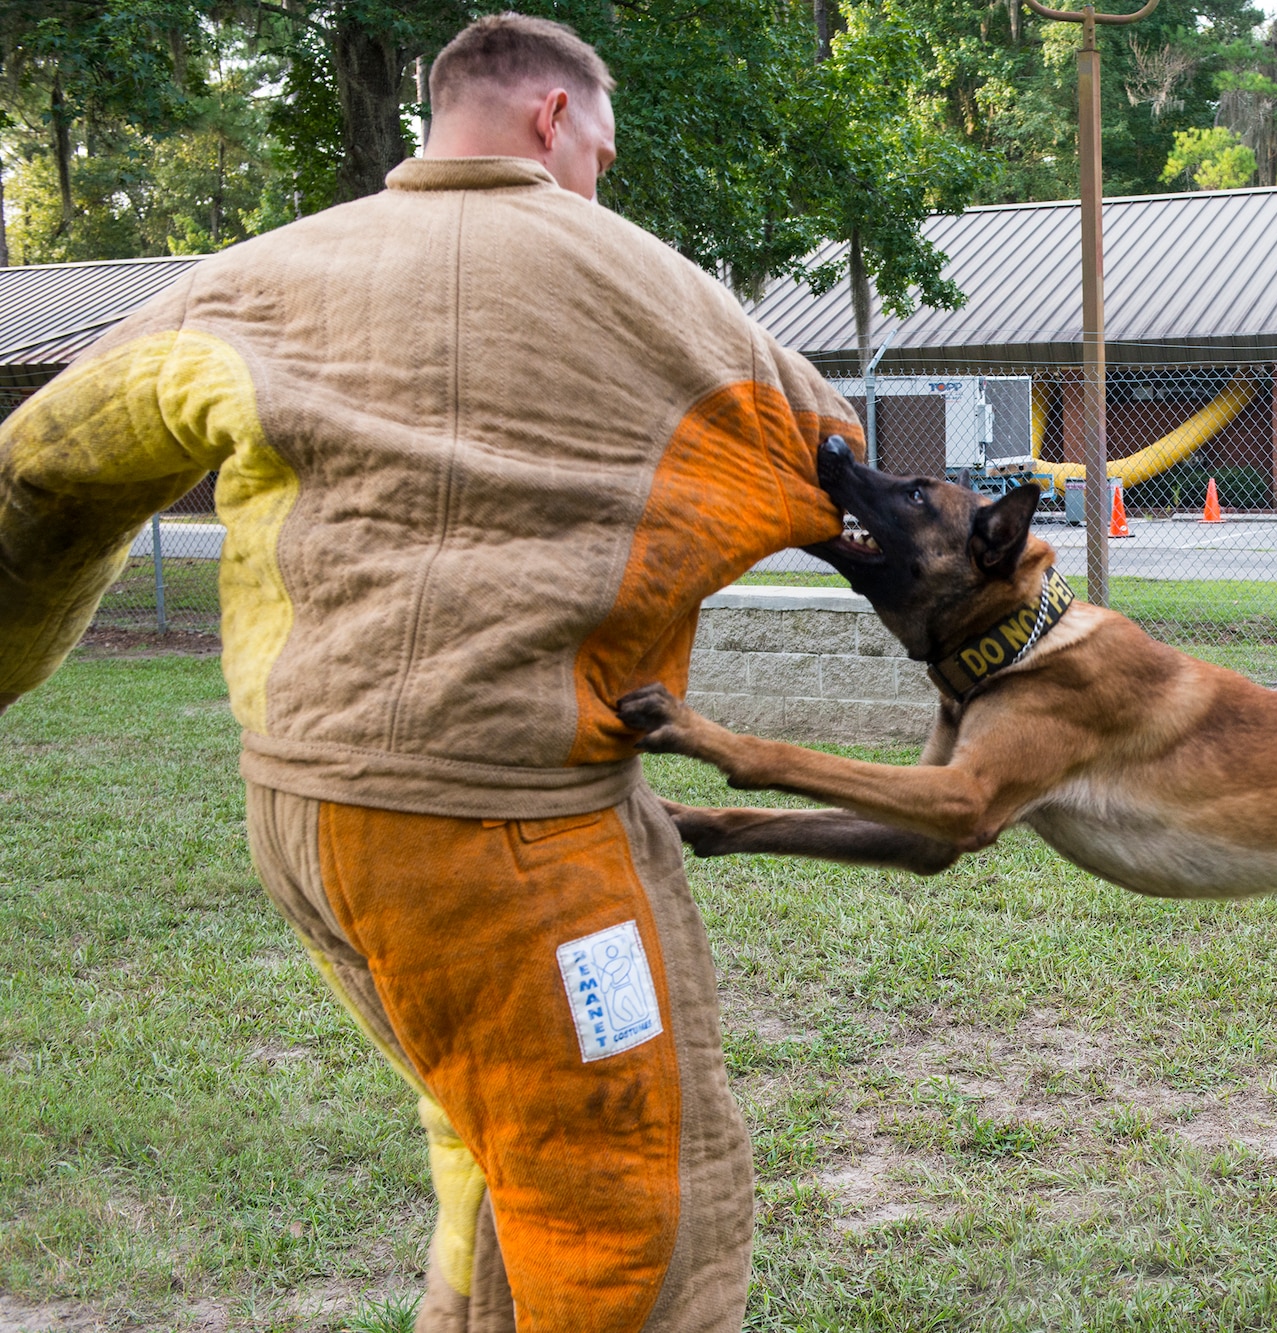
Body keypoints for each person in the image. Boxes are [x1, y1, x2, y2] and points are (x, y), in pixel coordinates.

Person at [0, 14, 857, 1333]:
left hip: (308, 818)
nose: (599, 185)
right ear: (553, 121)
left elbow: (45, 469)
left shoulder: (253, 278)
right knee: (627, 1192)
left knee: (484, 1127)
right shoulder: (656, 287)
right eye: (603, 155)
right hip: (515, 849)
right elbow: (854, 482)